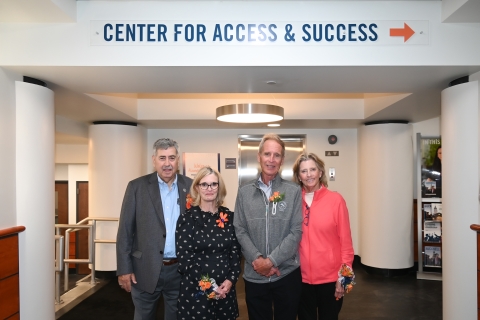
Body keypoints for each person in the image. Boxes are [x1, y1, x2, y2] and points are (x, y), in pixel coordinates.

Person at [116, 138, 193, 320]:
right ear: (153, 160)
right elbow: (125, 231)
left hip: (180, 269)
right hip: (144, 269)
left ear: (178, 160)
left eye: (172, 158)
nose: (167, 163)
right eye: (162, 158)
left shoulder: (190, 186)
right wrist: (124, 269)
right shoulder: (136, 187)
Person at [233, 133, 303, 320]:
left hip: (286, 274)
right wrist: (258, 261)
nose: (271, 160)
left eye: (277, 155)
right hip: (254, 275)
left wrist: (270, 261)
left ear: (282, 160)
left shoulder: (293, 191)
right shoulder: (244, 192)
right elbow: (239, 229)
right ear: (259, 157)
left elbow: (296, 231)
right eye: (267, 154)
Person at [292, 152, 354, 320]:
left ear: (320, 172)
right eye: (304, 171)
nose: (309, 174)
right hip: (301, 279)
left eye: (313, 169)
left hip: (331, 279)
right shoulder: (294, 201)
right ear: (299, 176)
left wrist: (343, 277)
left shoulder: (336, 200)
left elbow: (346, 243)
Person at [176, 166, 241, 320]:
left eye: (213, 184)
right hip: (196, 291)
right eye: (204, 184)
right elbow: (185, 260)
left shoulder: (229, 217)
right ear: (197, 188)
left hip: (225, 291)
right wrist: (210, 286)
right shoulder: (187, 219)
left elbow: (235, 254)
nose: (209, 188)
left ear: (219, 187)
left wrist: (230, 280)